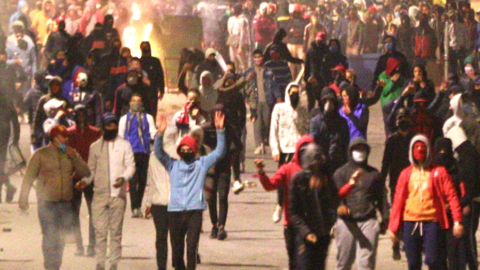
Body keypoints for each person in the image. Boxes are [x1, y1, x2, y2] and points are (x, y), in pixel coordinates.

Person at [154, 110, 226, 270]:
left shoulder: (201, 164)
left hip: (194, 212)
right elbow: (159, 153)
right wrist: (160, 134)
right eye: (183, 150)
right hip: (175, 212)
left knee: (191, 249)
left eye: (189, 149)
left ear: (194, 151)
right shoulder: (173, 164)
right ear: (179, 151)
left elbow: (219, 152)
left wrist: (220, 131)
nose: (186, 152)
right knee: (177, 253)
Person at [19, 125, 90, 270]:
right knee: (49, 235)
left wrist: (74, 156)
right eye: (64, 137)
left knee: (60, 238)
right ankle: (50, 265)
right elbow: (28, 177)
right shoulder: (41, 154)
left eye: (67, 136)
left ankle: (56, 265)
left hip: (65, 203)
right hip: (47, 202)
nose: (67, 139)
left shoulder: (70, 153)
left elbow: (85, 172)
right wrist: (23, 198)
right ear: (55, 138)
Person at [389, 134, 465, 270]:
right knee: (413, 263)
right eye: (416, 147)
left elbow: (452, 196)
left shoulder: (439, 172)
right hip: (410, 223)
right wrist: (393, 228)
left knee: (433, 260)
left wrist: (457, 221)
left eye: (422, 147)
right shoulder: (406, 174)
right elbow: (398, 201)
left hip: (432, 223)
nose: (419, 150)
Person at [76, 113, 136, 270]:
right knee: (100, 232)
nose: (112, 128)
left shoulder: (125, 145)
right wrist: (85, 181)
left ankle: (114, 263)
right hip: (100, 196)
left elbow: (131, 166)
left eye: (114, 125)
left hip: (118, 196)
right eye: (109, 125)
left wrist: (124, 178)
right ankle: (100, 263)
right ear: (103, 127)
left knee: (115, 232)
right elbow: (91, 171)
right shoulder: (95, 147)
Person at [255, 135, 314, 270]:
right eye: (303, 152)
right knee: (294, 262)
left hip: (311, 226)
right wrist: (261, 173)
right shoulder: (287, 169)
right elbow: (270, 185)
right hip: (291, 225)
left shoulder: (317, 172)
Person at [334, 138, 389, 270]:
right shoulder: (340, 173)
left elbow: (382, 199)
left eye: (363, 149)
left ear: (368, 152)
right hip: (346, 223)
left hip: (368, 221)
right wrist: (339, 206)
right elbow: (332, 196)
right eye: (357, 149)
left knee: (366, 265)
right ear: (350, 151)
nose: (360, 152)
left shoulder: (374, 175)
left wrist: (385, 219)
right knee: (344, 263)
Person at [289, 143, 339, 269]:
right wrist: (306, 232)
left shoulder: (327, 180)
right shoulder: (298, 180)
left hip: (323, 235)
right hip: (305, 236)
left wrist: (331, 225)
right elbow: (294, 212)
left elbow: (334, 202)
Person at [269, 83, 310, 223]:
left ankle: (298, 209)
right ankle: (280, 205)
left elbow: (306, 129)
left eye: (296, 93)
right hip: (284, 150)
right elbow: (273, 129)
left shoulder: (302, 110)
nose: (294, 95)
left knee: (300, 180)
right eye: (292, 92)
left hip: (298, 150)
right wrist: (275, 148)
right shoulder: (279, 108)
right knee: (282, 180)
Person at [67, 105, 102, 257]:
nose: (81, 118)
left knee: (93, 213)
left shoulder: (95, 132)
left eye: (83, 115)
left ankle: (92, 246)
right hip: (74, 177)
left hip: (91, 177)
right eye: (78, 115)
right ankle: (79, 245)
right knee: (74, 214)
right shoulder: (68, 133)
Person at [380, 108, 414, 260]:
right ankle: (396, 244)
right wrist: (382, 183)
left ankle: (408, 242)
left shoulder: (415, 139)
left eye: (405, 118)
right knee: (396, 213)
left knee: (410, 213)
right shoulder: (392, 140)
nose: (402, 121)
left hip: (413, 182)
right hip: (395, 183)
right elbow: (385, 163)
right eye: (400, 119)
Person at [118, 94, 157, 218]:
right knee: (133, 180)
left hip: (144, 152)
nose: (136, 103)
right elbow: (121, 135)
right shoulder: (125, 119)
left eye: (138, 101)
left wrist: (157, 136)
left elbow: (152, 132)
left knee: (142, 180)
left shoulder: (148, 117)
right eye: (133, 101)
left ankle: (138, 205)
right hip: (131, 152)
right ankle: (134, 207)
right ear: (129, 103)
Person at [309, 87, 350, 176]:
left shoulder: (342, 122)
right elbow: (312, 141)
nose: (328, 104)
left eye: (331, 101)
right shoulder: (316, 122)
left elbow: (345, 144)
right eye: (325, 101)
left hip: (337, 165)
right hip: (320, 165)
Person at [144, 144, 171, 270]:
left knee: (177, 239)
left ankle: (178, 263)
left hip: (176, 204)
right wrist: (149, 203)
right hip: (158, 204)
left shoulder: (178, 155)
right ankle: (161, 267)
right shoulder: (153, 157)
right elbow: (150, 180)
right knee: (161, 237)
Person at [244, 50, 269, 155]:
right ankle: (259, 145)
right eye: (256, 57)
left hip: (267, 100)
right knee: (257, 123)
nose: (258, 59)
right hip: (255, 100)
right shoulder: (249, 72)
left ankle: (264, 140)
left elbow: (274, 85)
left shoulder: (268, 71)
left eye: (260, 57)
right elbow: (244, 85)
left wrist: (277, 97)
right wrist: (246, 97)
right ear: (253, 59)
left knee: (267, 122)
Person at [304, 31, 330, 111]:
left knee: (321, 101)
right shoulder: (310, 51)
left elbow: (327, 67)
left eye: (321, 41)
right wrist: (306, 78)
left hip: (321, 80)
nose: (319, 42)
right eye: (318, 40)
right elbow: (307, 66)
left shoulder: (326, 51)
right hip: (311, 80)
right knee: (311, 102)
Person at [140, 41, 165, 114]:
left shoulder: (155, 61)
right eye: (144, 47)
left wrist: (161, 89)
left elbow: (160, 75)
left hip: (153, 89)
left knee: (152, 110)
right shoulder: (139, 62)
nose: (146, 48)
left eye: (147, 46)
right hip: (142, 90)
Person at [227, 3, 251, 74]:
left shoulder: (243, 20)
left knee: (243, 64)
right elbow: (229, 31)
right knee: (233, 62)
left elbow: (243, 34)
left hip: (239, 44)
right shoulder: (231, 19)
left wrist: (240, 46)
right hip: (232, 42)